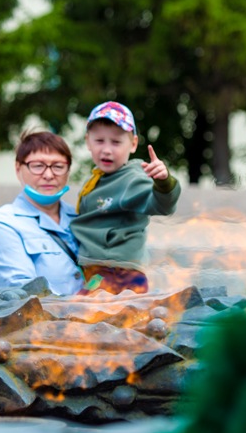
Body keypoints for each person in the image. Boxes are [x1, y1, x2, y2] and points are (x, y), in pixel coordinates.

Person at [71, 101, 181, 295]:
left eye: (116, 142)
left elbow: (160, 205)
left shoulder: (132, 178)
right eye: (99, 141)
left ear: (133, 144)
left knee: (81, 312)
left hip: (119, 274)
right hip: (97, 270)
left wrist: (163, 183)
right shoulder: (97, 179)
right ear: (88, 142)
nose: (106, 149)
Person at [0, 131, 84, 295]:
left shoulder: (80, 218)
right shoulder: (3, 223)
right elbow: (23, 294)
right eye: (38, 166)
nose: (49, 175)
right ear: (18, 169)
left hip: (91, 319)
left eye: (58, 167)